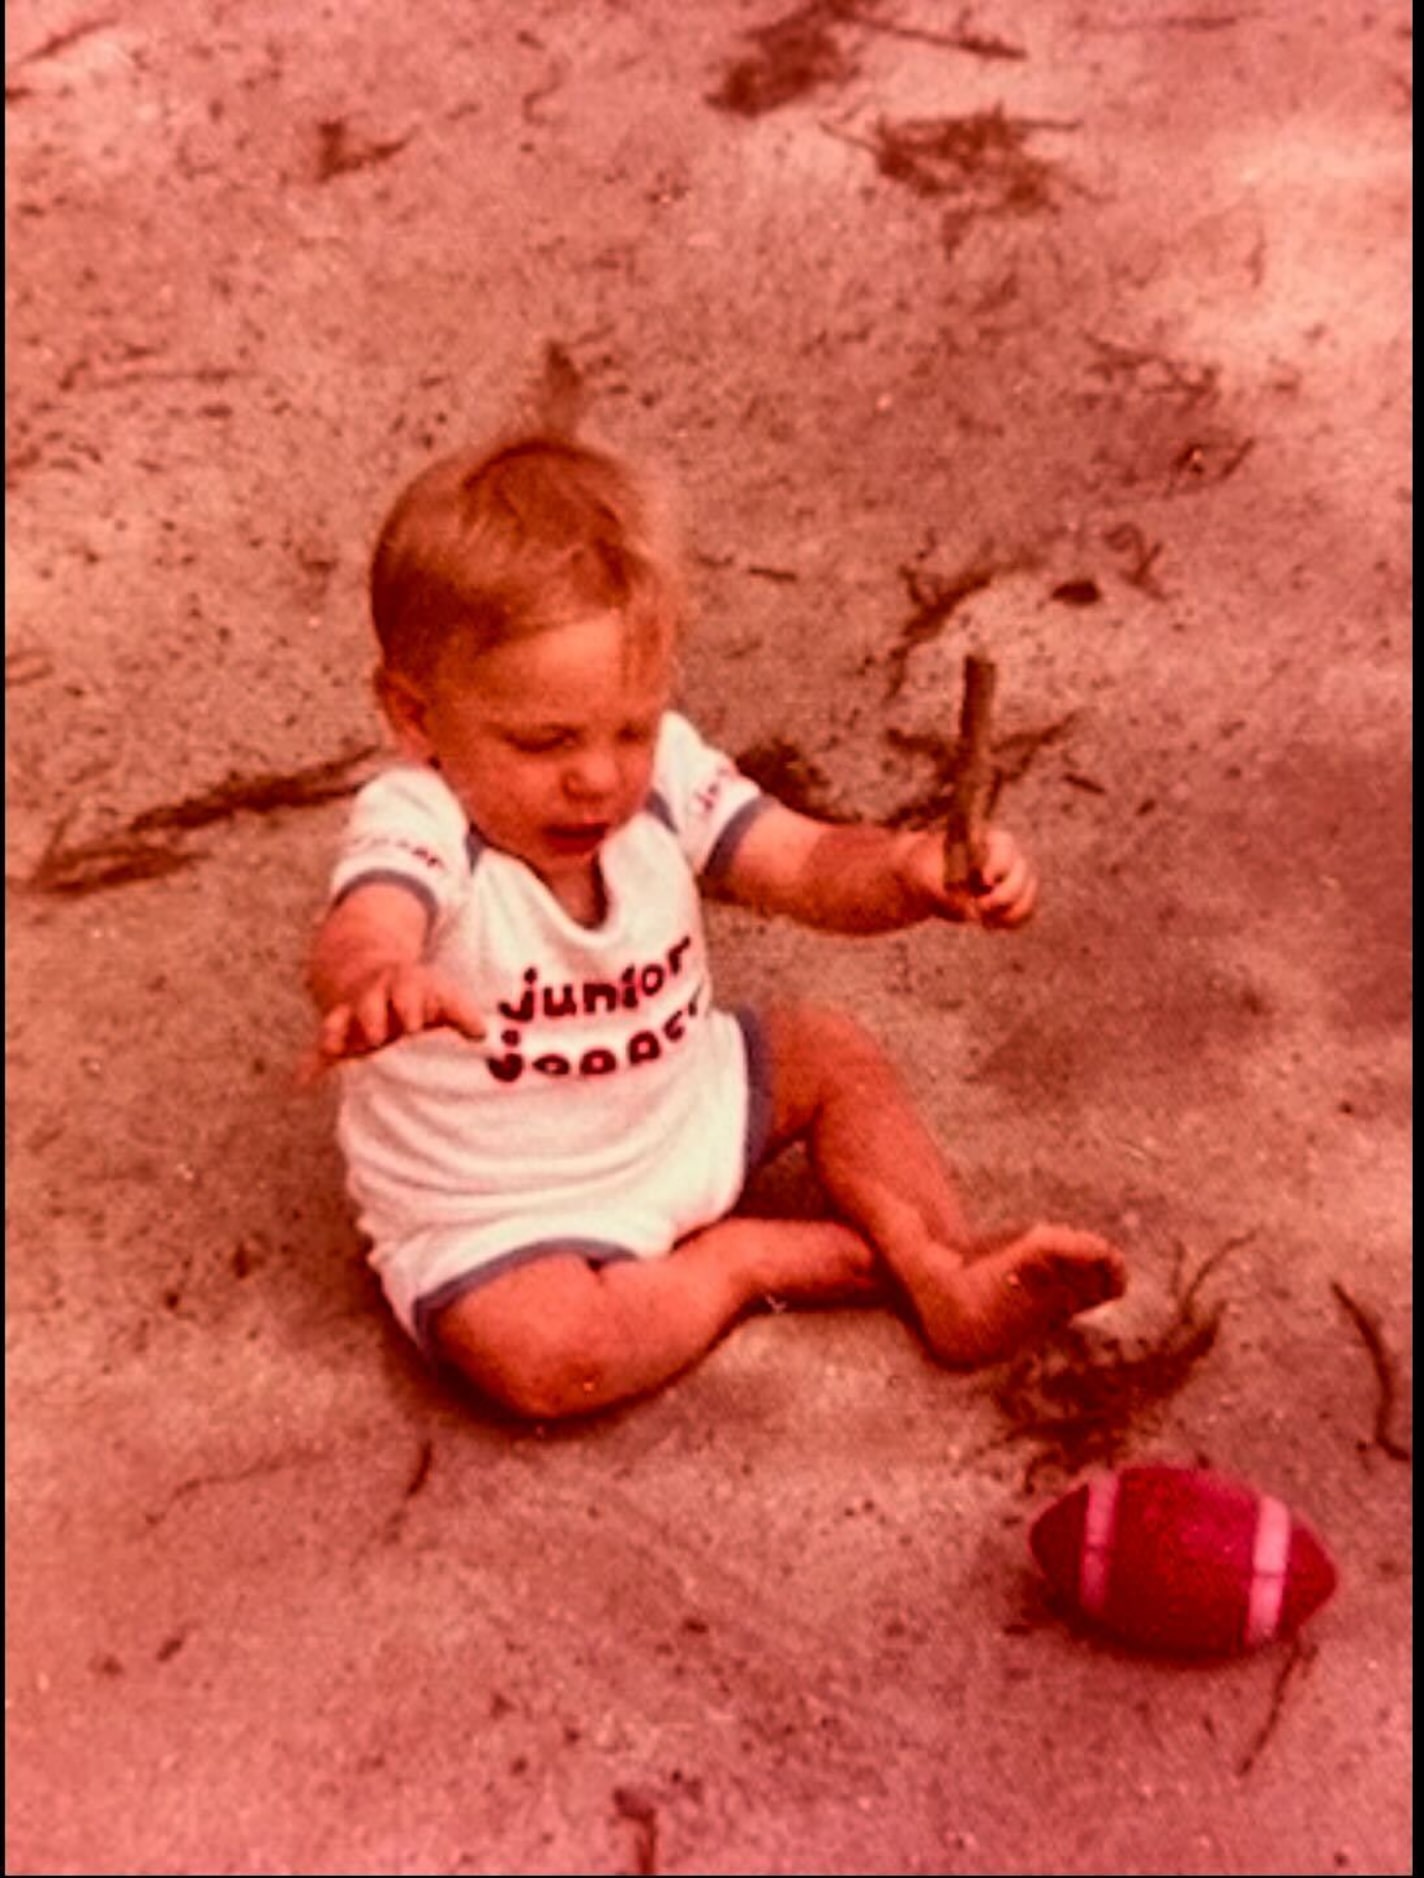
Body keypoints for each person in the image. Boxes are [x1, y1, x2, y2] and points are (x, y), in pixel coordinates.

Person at [307, 429, 1127, 1421]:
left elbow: (808, 865)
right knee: (544, 1358)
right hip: (502, 1202)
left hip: (678, 1107)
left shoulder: (666, 776)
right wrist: (379, 976)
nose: (598, 775)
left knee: (828, 1050)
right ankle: (732, 1268)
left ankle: (938, 1269)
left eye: (630, 727)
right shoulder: (420, 816)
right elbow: (367, 920)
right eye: (543, 740)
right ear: (415, 716)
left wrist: (909, 869)